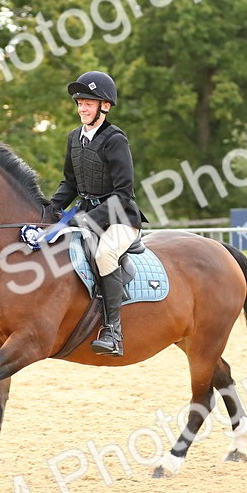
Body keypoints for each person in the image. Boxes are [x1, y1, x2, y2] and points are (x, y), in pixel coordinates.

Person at [50, 70, 144, 356]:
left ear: (105, 106)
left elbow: (123, 192)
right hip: (85, 212)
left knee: (105, 254)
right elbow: (70, 183)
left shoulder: (115, 139)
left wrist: (91, 219)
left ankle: (113, 331)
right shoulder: (74, 138)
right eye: (80, 103)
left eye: (88, 103)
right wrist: (51, 207)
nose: (82, 108)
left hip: (121, 217)